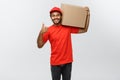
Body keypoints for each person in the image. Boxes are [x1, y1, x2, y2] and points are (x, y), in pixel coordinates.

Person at [37, 6, 90, 80]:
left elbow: (84, 29)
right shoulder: (48, 30)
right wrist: (41, 33)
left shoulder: (67, 27)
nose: (56, 17)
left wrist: (88, 15)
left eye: (57, 15)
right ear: (51, 17)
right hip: (55, 63)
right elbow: (39, 45)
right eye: (53, 16)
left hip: (67, 62)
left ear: (61, 16)